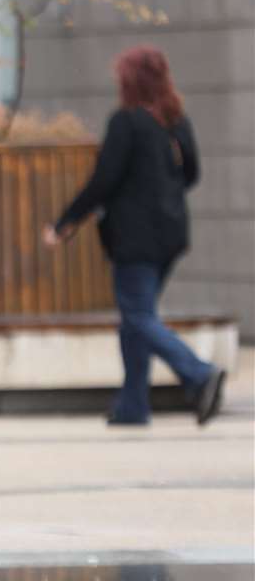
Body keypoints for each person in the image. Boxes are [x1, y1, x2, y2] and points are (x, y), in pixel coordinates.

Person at [43, 45, 226, 427]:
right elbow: (191, 175)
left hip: (136, 238)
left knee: (138, 316)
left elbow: (103, 181)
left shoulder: (126, 122)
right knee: (136, 319)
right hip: (171, 235)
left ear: (131, 81)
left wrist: (64, 223)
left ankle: (198, 373)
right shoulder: (176, 121)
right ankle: (133, 406)